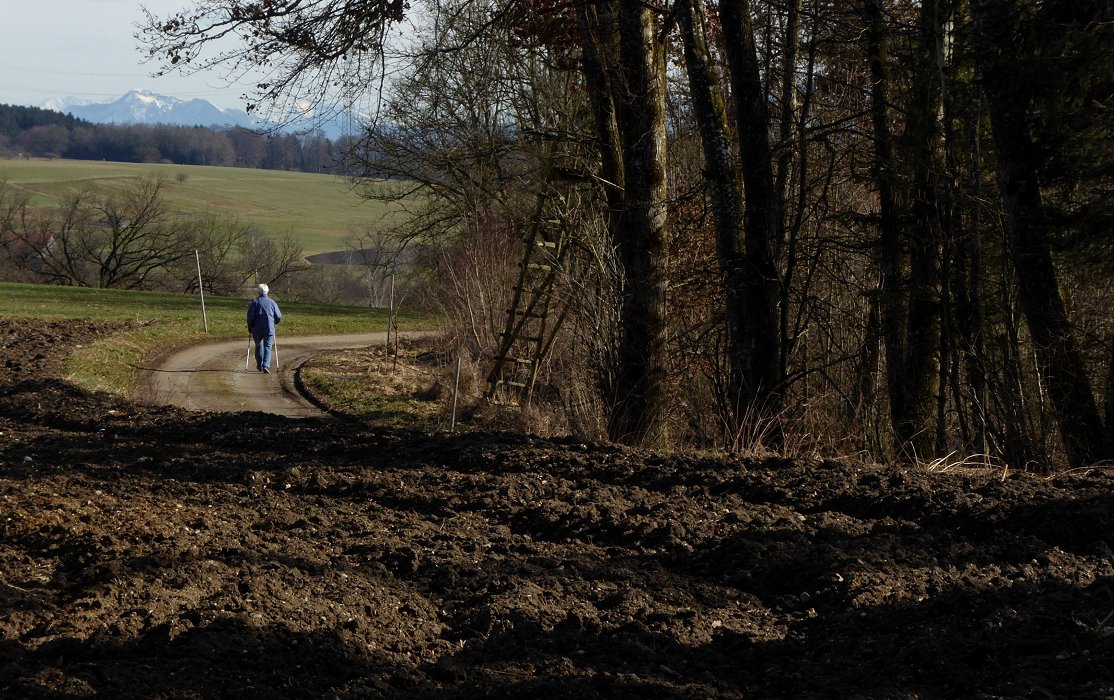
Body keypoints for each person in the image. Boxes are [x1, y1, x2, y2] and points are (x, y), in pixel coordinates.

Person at [247, 283, 282, 373]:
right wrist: (275, 322)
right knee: (268, 347)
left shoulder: (255, 302)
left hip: (256, 329)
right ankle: (265, 365)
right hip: (269, 328)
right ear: (267, 291)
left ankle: (260, 365)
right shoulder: (272, 302)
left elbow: (250, 317)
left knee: (258, 346)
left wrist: (250, 326)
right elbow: (278, 316)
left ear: (258, 292)